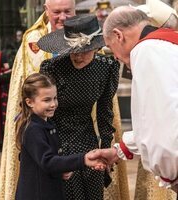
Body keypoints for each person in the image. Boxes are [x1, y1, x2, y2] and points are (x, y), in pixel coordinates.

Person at [88, 5, 178, 197]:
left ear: (118, 35)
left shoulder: (145, 51)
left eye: (112, 48)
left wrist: (171, 177)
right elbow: (154, 121)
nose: (119, 59)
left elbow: (165, 124)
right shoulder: (166, 44)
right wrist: (120, 149)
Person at [0, 0, 76, 199]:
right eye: (57, 12)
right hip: (42, 126)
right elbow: (22, 87)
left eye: (68, 11)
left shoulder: (88, 36)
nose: (63, 17)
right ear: (46, 10)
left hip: (77, 127)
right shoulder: (33, 39)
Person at [37, 14, 120, 200]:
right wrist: (49, 155)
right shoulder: (53, 67)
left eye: (84, 50)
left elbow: (104, 111)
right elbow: (43, 115)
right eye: (72, 49)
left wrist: (105, 151)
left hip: (87, 138)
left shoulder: (107, 67)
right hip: (58, 139)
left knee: (93, 191)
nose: (77, 55)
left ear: (96, 47)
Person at [15, 72, 105, 200]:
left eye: (55, 98)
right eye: (47, 100)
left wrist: (60, 170)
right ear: (29, 102)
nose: (53, 104)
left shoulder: (47, 123)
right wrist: (83, 159)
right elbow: (48, 161)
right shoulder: (32, 129)